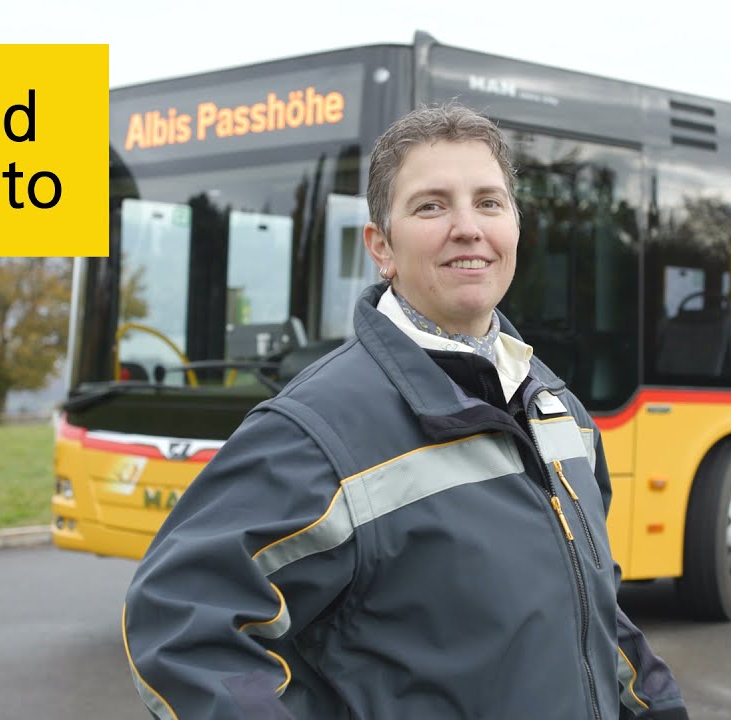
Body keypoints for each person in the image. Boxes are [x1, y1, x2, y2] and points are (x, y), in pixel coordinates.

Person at [123, 104, 690, 720]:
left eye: (489, 203)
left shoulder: (561, 414)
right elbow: (181, 629)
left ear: (516, 230)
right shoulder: (314, 432)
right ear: (381, 246)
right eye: (431, 206)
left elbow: (593, 616)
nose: (468, 227)